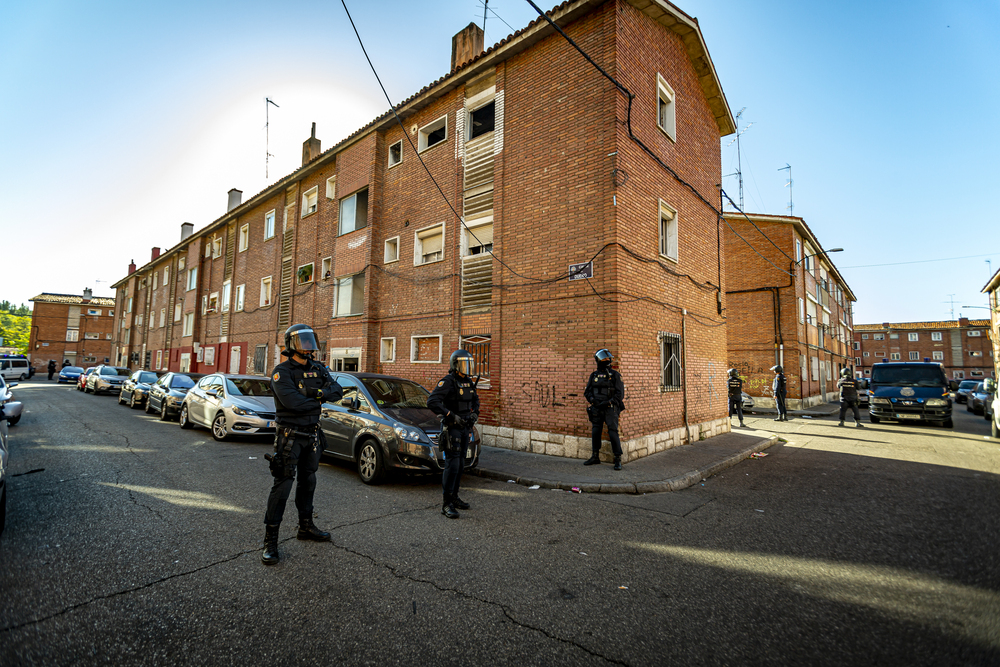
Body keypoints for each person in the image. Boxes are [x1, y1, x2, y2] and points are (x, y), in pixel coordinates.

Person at [261, 324, 343, 565]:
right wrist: (320, 398)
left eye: (310, 341)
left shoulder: (318, 368)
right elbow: (292, 403)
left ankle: (305, 527)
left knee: (309, 482)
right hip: (290, 436)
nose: (308, 346)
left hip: (312, 435)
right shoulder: (282, 371)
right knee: (283, 486)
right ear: (291, 345)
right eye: (302, 342)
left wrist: (312, 393)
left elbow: (337, 391)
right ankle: (270, 541)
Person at [428, 349, 480, 519]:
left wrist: (474, 414)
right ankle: (446, 504)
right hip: (452, 428)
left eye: (469, 364)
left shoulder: (468, 382)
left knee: (461, 465)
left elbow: (475, 400)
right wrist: (450, 415)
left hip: (466, 427)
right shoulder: (448, 381)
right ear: (455, 365)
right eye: (464, 364)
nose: (467, 368)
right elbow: (432, 401)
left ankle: (455, 498)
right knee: (453, 465)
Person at [584, 349, 625, 470]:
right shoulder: (594, 375)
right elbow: (587, 392)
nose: (607, 361)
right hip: (597, 408)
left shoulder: (615, 375)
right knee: (596, 432)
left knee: (613, 432)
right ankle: (595, 456)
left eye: (608, 359)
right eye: (604, 359)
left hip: (609, 408)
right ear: (598, 361)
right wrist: (593, 400)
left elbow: (620, 394)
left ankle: (617, 459)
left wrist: (608, 402)